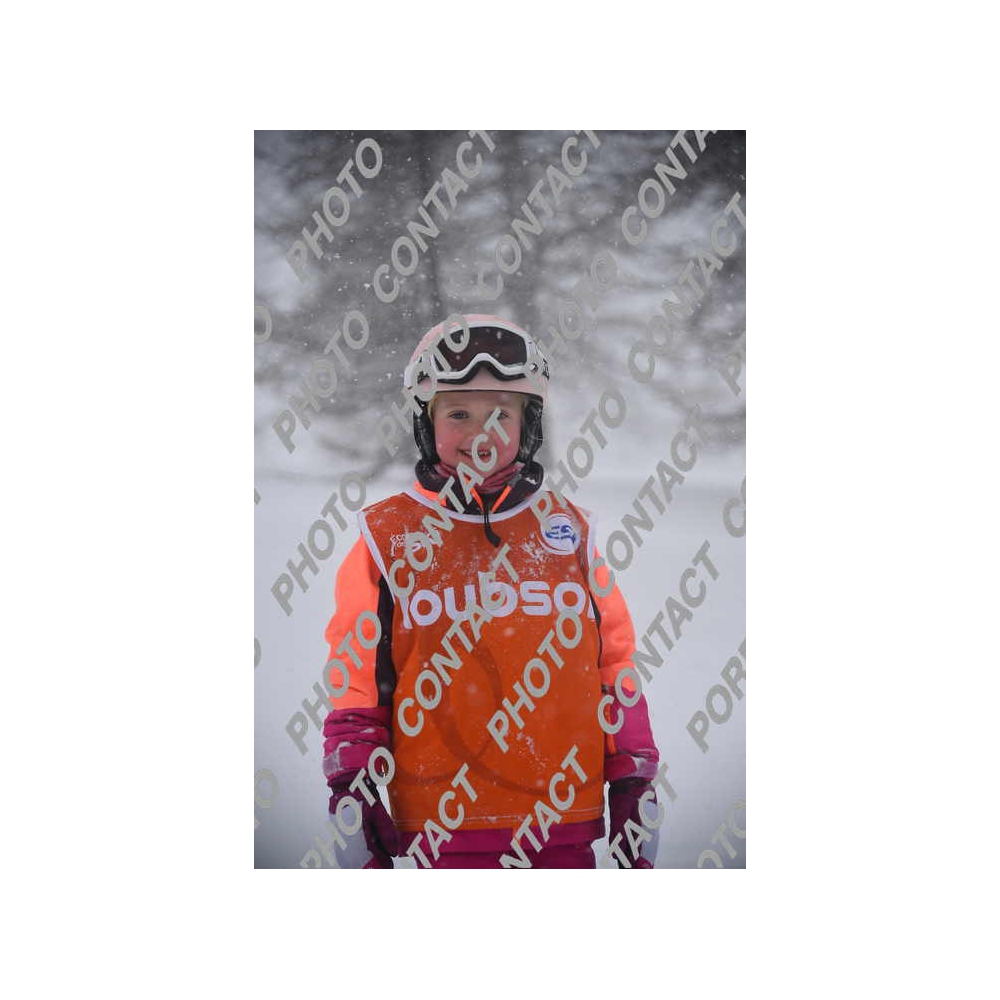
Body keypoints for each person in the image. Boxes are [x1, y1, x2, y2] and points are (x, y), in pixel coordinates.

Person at [321, 314, 661, 868]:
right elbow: (358, 673)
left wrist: (633, 775)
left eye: (501, 414)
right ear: (426, 421)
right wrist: (351, 782)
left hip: (562, 826)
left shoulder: (571, 533)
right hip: (438, 831)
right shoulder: (387, 537)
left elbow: (613, 664)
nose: (481, 434)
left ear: (529, 425)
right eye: (459, 413)